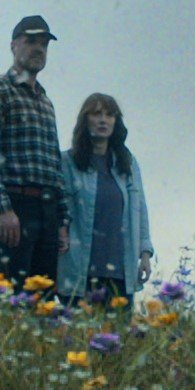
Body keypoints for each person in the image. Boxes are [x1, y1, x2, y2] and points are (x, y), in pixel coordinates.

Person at [0, 15, 64, 294]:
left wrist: (61, 220)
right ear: (13, 46)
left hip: (46, 208)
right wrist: (2, 208)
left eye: (44, 43)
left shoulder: (45, 102)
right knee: (12, 296)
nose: (38, 49)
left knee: (44, 299)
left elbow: (54, 164)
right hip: (14, 204)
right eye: (30, 41)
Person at [55, 92, 152, 303]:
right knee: (77, 334)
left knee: (119, 335)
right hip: (79, 271)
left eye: (109, 115)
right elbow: (56, 208)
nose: (103, 120)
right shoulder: (67, 162)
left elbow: (140, 210)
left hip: (120, 272)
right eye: (96, 113)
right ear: (84, 120)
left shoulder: (127, 163)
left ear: (116, 122)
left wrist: (145, 253)